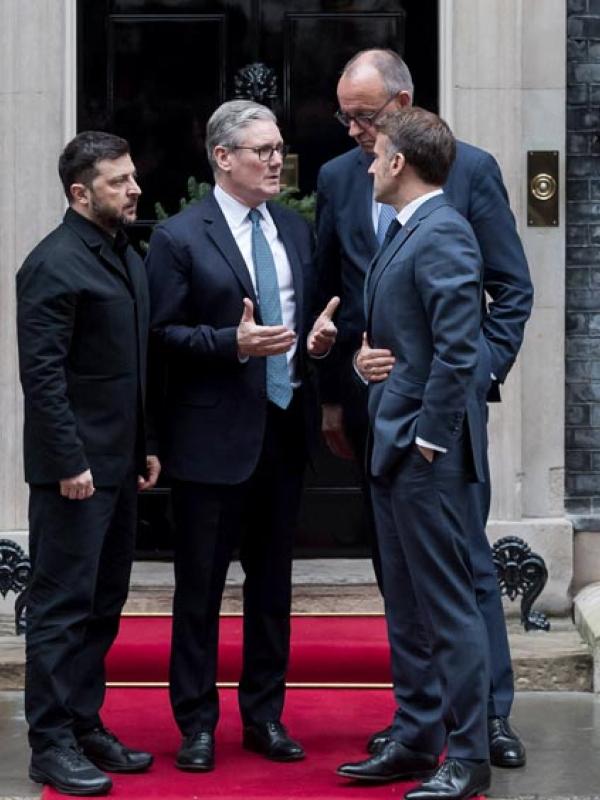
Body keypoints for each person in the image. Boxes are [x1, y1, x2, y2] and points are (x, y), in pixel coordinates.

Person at [316, 48, 533, 768]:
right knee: (403, 580)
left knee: (462, 576)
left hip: (437, 427)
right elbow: (351, 304)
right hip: (381, 416)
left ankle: (483, 723)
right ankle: (419, 727)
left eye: (366, 118)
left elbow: (509, 293)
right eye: (346, 116)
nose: (353, 133)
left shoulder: (463, 177)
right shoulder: (343, 178)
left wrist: (465, 385)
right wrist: (349, 367)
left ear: (403, 109)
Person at [145, 100, 338, 773]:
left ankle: (264, 716)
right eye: (261, 149)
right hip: (210, 443)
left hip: (283, 436)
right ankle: (196, 723)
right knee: (199, 590)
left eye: (278, 147)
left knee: (272, 589)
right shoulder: (179, 237)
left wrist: (316, 342)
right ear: (222, 157)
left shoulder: (294, 228)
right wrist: (232, 342)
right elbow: (160, 337)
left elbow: (307, 318)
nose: (275, 159)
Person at [337, 106, 491, 800]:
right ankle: (417, 737)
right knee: (407, 608)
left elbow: (462, 352)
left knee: (448, 610)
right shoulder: (409, 230)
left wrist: (430, 437)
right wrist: (372, 363)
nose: (368, 164)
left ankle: (468, 757)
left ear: (399, 163)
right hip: (393, 450)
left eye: (377, 155)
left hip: (424, 456)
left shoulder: (444, 232)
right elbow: (417, 341)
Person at [16, 131, 160, 797]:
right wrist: (70, 461)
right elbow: (41, 378)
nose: (133, 189)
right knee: (61, 609)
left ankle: (83, 722)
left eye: (132, 177)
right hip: (73, 475)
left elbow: (128, 367)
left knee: (103, 605)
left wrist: (144, 446)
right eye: (118, 181)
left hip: (118, 468)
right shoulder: (53, 264)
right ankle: (49, 744)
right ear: (80, 193)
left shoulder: (124, 255)